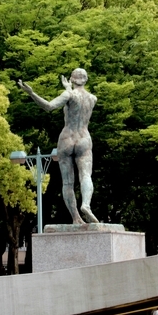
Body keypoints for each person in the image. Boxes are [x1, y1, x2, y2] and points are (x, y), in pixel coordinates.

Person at [18, 69, 98, 224]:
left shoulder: (68, 95)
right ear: (86, 79)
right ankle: (86, 204)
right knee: (85, 175)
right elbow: (77, 99)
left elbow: (49, 106)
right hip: (84, 138)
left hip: (67, 138)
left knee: (67, 182)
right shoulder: (92, 98)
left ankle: (76, 218)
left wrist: (31, 93)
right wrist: (68, 88)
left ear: (72, 79)